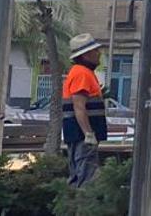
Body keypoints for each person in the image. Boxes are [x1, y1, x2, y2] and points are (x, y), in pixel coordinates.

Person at [62, 33, 108, 187]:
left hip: (79, 134)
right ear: (86, 55)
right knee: (86, 177)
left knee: (80, 175)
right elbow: (79, 107)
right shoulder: (82, 73)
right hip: (82, 135)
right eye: (95, 51)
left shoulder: (83, 72)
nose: (99, 53)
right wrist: (88, 134)